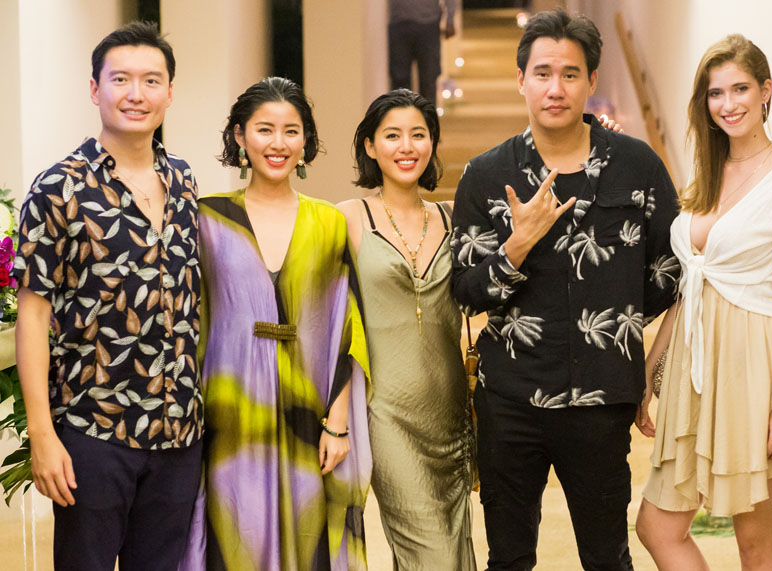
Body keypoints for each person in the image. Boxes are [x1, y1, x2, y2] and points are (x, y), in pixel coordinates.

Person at [450, 10, 679, 570]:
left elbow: (668, 274)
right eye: (543, 73)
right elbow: (466, 290)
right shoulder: (486, 175)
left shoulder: (637, 166)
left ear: (591, 80)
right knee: (508, 559)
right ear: (521, 80)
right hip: (510, 400)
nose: (556, 88)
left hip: (601, 400)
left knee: (607, 557)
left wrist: (620, 327)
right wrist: (516, 247)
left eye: (570, 74)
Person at [632, 33, 772, 571]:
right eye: (715, 93)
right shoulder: (707, 175)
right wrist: (650, 370)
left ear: (766, 91)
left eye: (740, 88)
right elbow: (690, 287)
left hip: (755, 370)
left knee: (755, 547)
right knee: (657, 527)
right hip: (694, 370)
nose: (728, 103)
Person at [12, 21, 202, 570]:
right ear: (95, 89)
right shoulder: (59, 187)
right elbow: (32, 317)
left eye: (151, 80)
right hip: (95, 431)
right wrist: (42, 436)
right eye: (121, 79)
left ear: (170, 93)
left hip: (178, 434)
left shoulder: (184, 181)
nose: (136, 94)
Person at [178, 77, 371, 570]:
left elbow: (346, 328)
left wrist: (339, 425)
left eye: (291, 130)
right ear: (240, 136)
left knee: (310, 542)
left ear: (306, 141)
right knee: (235, 540)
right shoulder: (208, 219)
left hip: (310, 415)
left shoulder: (329, 222)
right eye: (265, 129)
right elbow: (189, 321)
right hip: (229, 418)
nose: (278, 143)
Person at [336, 88, 475, 571]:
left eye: (419, 134)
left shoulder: (455, 216)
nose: (407, 146)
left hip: (451, 411)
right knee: (431, 553)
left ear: (432, 143)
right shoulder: (348, 218)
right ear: (370, 146)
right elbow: (328, 317)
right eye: (392, 135)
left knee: (453, 546)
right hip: (386, 413)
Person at [388, 0, 457, 105]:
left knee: (429, 78)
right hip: (398, 23)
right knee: (399, 80)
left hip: (428, 24)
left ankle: (427, 114)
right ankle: (402, 114)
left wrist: (450, 20)